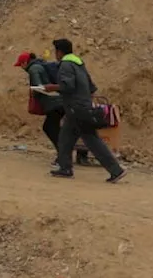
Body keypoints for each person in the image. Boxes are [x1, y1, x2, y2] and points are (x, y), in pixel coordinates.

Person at [49, 38, 127, 183]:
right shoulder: (79, 64)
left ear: (59, 52)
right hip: (82, 107)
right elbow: (92, 88)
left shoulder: (66, 65)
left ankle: (116, 170)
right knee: (66, 138)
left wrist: (51, 87)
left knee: (91, 140)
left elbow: (68, 86)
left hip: (75, 109)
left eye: (55, 51)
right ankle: (65, 168)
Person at [15, 52, 87, 168]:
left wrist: (35, 91)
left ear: (24, 63)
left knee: (50, 128)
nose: (21, 68)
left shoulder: (33, 69)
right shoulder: (42, 65)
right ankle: (67, 154)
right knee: (57, 128)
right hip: (60, 101)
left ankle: (63, 156)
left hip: (54, 104)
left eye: (21, 65)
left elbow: (39, 87)